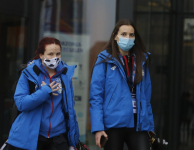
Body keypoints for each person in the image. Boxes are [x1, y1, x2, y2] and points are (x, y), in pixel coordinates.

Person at [89, 19, 154, 150]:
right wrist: (98, 128)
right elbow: (96, 98)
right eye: (123, 34)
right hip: (113, 125)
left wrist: (150, 128)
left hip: (138, 124)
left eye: (131, 35)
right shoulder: (104, 61)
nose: (128, 38)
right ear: (115, 36)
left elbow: (146, 99)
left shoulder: (141, 61)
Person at [6, 37, 79, 150]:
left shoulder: (65, 74)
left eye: (58, 54)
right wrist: (45, 92)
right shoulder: (28, 73)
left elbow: (70, 109)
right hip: (33, 137)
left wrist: (73, 140)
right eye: (50, 54)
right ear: (41, 55)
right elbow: (21, 103)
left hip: (58, 138)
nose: (55, 58)